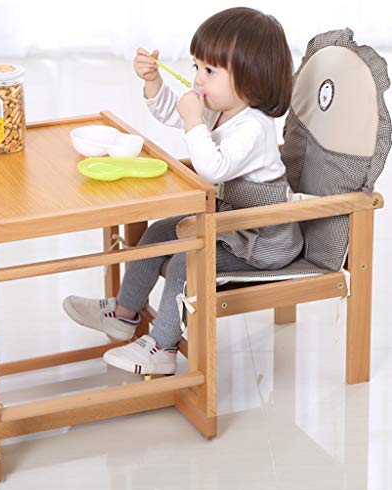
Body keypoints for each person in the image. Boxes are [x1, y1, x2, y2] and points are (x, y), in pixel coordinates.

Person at [63, 7, 303, 375]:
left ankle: (162, 348)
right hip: (233, 223)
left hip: (263, 240)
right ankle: (123, 315)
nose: (197, 79)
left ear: (251, 78)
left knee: (185, 262)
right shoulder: (221, 109)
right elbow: (172, 114)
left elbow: (213, 167)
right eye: (196, 67)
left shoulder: (254, 127)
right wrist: (154, 83)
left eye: (210, 71)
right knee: (157, 233)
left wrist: (194, 119)